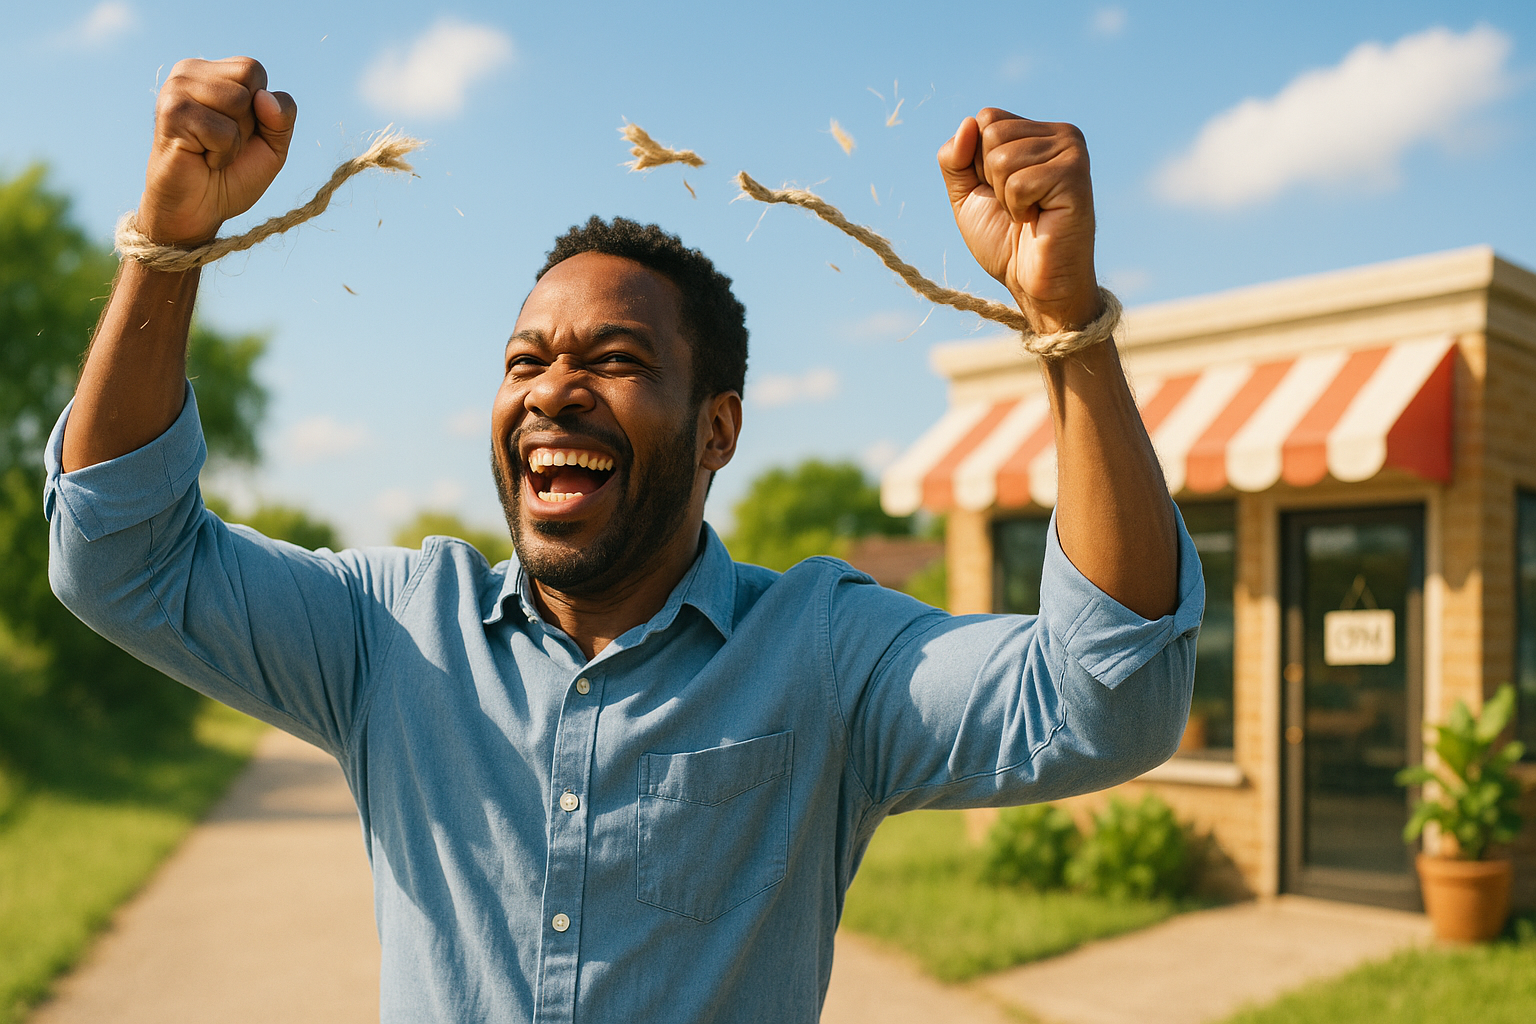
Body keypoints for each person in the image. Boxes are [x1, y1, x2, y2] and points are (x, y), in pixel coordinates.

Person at [47, 57, 1202, 1024]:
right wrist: (169, 239)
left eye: (613, 360)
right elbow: (119, 556)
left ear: (717, 431)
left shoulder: (826, 654)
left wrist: (1066, 324)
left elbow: (1107, 697)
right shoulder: (390, 634)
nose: (554, 390)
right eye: (525, 359)